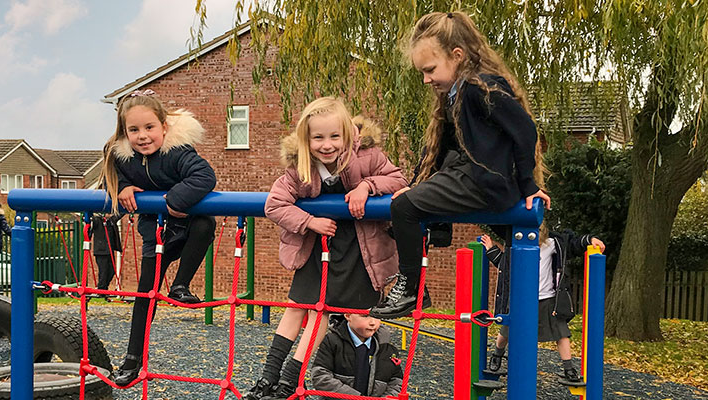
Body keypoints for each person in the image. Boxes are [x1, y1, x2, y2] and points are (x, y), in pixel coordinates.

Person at [370, 11, 550, 319]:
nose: (426, 79)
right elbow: (441, 150)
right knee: (409, 202)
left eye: (430, 70)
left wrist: (529, 185)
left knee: (403, 209)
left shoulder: (480, 87)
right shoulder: (457, 93)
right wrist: (417, 186)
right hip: (470, 176)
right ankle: (433, 233)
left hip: (483, 180)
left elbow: (525, 130)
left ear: (457, 55)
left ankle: (411, 288)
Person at [250, 98, 407, 399]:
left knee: (322, 315)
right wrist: (309, 221)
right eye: (317, 137)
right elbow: (274, 204)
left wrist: (366, 187)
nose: (326, 145)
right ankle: (268, 377)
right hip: (318, 245)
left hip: (359, 250)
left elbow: (397, 178)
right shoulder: (302, 168)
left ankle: (288, 382)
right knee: (297, 307)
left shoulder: (367, 155)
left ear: (348, 134)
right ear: (305, 139)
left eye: (334, 136)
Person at [101, 90, 217, 386]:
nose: (143, 136)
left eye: (149, 128)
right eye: (134, 130)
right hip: (156, 237)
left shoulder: (178, 152)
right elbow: (110, 178)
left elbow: (205, 177)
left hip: (185, 229)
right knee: (144, 298)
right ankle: (132, 359)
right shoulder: (122, 158)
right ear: (124, 132)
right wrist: (124, 187)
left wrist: (175, 201)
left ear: (164, 127)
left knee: (206, 222)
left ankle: (181, 284)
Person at [479, 227, 605, 384]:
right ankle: (497, 354)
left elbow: (572, 244)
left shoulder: (552, 244)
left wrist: (589, 240)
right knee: (506, 331)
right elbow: (504, 267)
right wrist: (491, 249)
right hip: (521, 299)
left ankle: (569, 368)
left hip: (548, 298)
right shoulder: (516, 248)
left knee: (561, 332)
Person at [309, 313, 403, 399]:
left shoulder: (387, 349)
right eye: (365, 316)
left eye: (377, 316)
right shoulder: (332, 341)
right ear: (348, 315)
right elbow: (320, 376)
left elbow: (397, 381)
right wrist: (356, 397)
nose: (373, 322)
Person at [90, 213, 123, 294]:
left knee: (112, 270)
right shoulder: (97, 220)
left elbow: (120, 214)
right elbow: (91, 223)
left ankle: (104, 287)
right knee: (103, 271)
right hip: (101, 251)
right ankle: (101, 290)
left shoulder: (111, 220)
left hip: (109, 250)